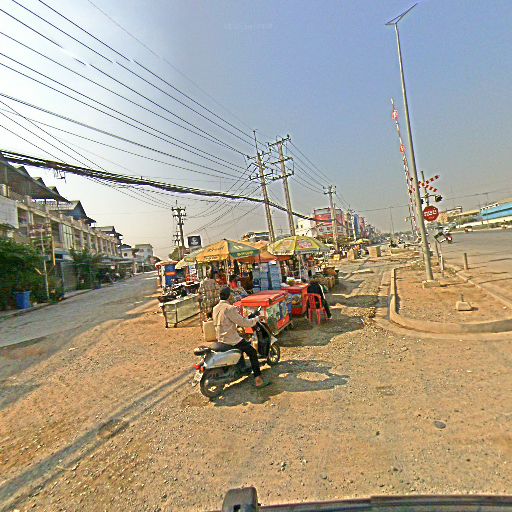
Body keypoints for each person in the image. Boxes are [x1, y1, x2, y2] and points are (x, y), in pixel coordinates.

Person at [212, 287, 269, 388]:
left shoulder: (215, 308)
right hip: (231, 340)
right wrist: (256, 319)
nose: (233, 297)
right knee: (252, 352)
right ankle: (258, 380)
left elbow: (226, 322)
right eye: (232, 295)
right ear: (229, 296)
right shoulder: (229, 308)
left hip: (220, 339)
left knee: (242, 342)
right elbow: (244, 323)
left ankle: (242, 366)